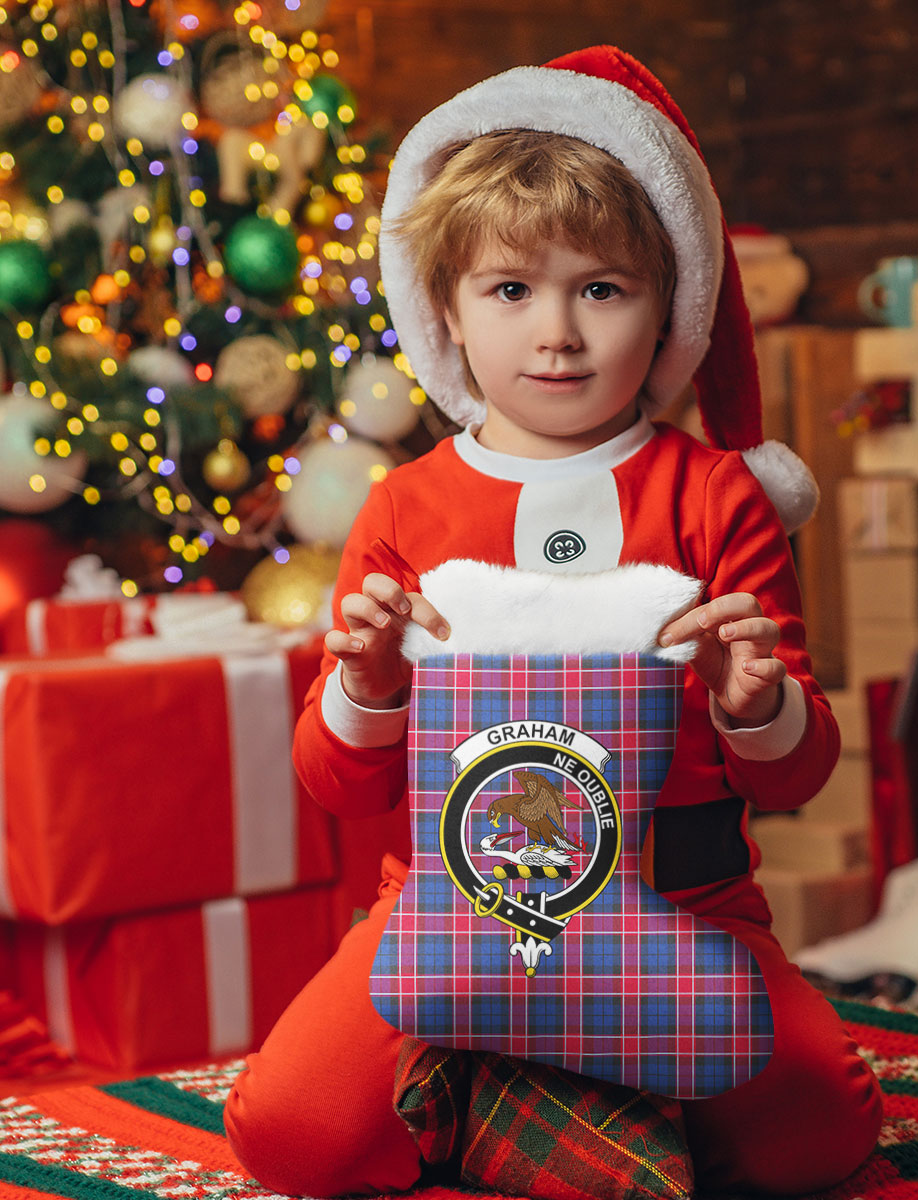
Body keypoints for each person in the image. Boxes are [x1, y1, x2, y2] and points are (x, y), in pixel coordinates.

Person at [224, 45, 882, 1197]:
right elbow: (338, 784)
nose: (558, 334)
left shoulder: (716, 496)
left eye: (602, 288)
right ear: (447, 310)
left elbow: (796, 779)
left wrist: (760, 705)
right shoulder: (407, 503)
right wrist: (369, 686)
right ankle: (536, 1085)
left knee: (817, 1137)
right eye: (512, 289)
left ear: (665, 303)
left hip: (685, 903)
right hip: (448, 904)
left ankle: (528, 1085)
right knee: (293, 1135)